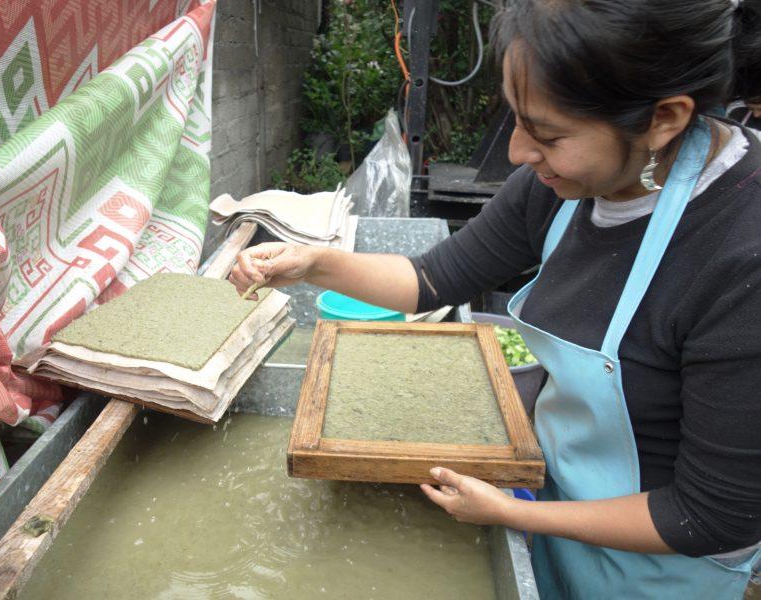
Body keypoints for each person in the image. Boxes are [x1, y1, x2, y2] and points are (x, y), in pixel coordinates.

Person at [229, 0, 761, 597]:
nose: (517, 153)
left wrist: (514, 512)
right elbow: (432, 280)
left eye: (549, 134)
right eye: (517, 119)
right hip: (562, 511)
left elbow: (711, 515)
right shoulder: (561, 184)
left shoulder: (742, 250)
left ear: (663, 119)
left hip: (661, 566)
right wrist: (317, 263)